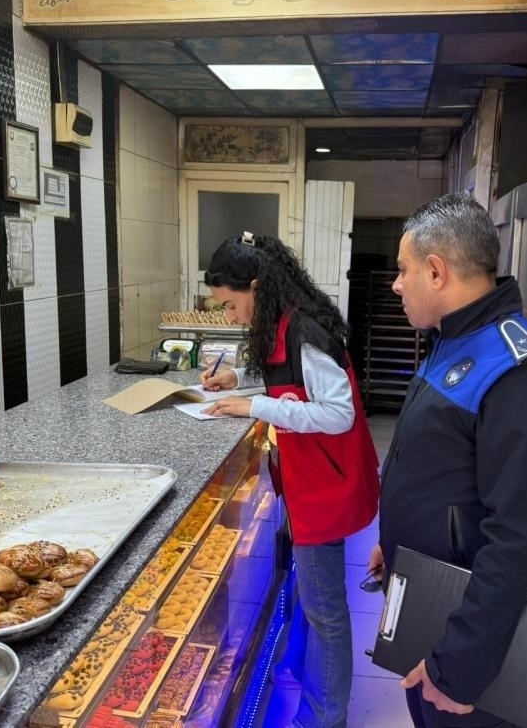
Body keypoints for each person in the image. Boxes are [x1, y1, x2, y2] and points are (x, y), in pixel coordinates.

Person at [368, 193, 527, 728]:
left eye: (403, 270)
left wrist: (457, 668)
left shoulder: (522, 374)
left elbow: (517, 541)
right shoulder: (452, 340)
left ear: (436, 271)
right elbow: (439, 469)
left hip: (468, 640)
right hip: (428, 603)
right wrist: (393, 537)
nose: (395, 284)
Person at [200, 231, 380, 728]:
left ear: (256, 286)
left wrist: (254, 405)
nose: (233, 317)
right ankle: (301, 672)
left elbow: (337, 412)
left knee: (327, 612)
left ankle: (323, 718)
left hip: (327, 483)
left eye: (232, 304)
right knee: (314, 595)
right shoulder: (288, 320)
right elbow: (294, 385)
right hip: (314, 479)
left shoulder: (303, 328)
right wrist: (241, 384)